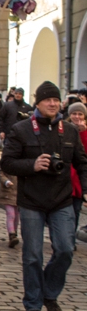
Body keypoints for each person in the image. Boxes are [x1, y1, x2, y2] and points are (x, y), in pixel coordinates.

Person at [2, 82, 87, 311]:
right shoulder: (21, 129)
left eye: (56, 99)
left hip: (62, 199)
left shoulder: (69, 131)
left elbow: (82, 163)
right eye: (47, 99)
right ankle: (33, 305)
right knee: (32, 256)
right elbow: (7, 163)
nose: (52, 103)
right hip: (31, 200)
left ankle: (49, 294)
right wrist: (32, 165)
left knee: (65, 250)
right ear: (38, 102)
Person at [67, 101, 87, 240]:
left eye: (80, 114)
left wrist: (83, 133)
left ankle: (70, 239)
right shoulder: (65, 128)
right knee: (64, 212)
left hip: (79, 180)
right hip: (66, 177)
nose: (77, 116)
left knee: (75, 211)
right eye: (74, 113)